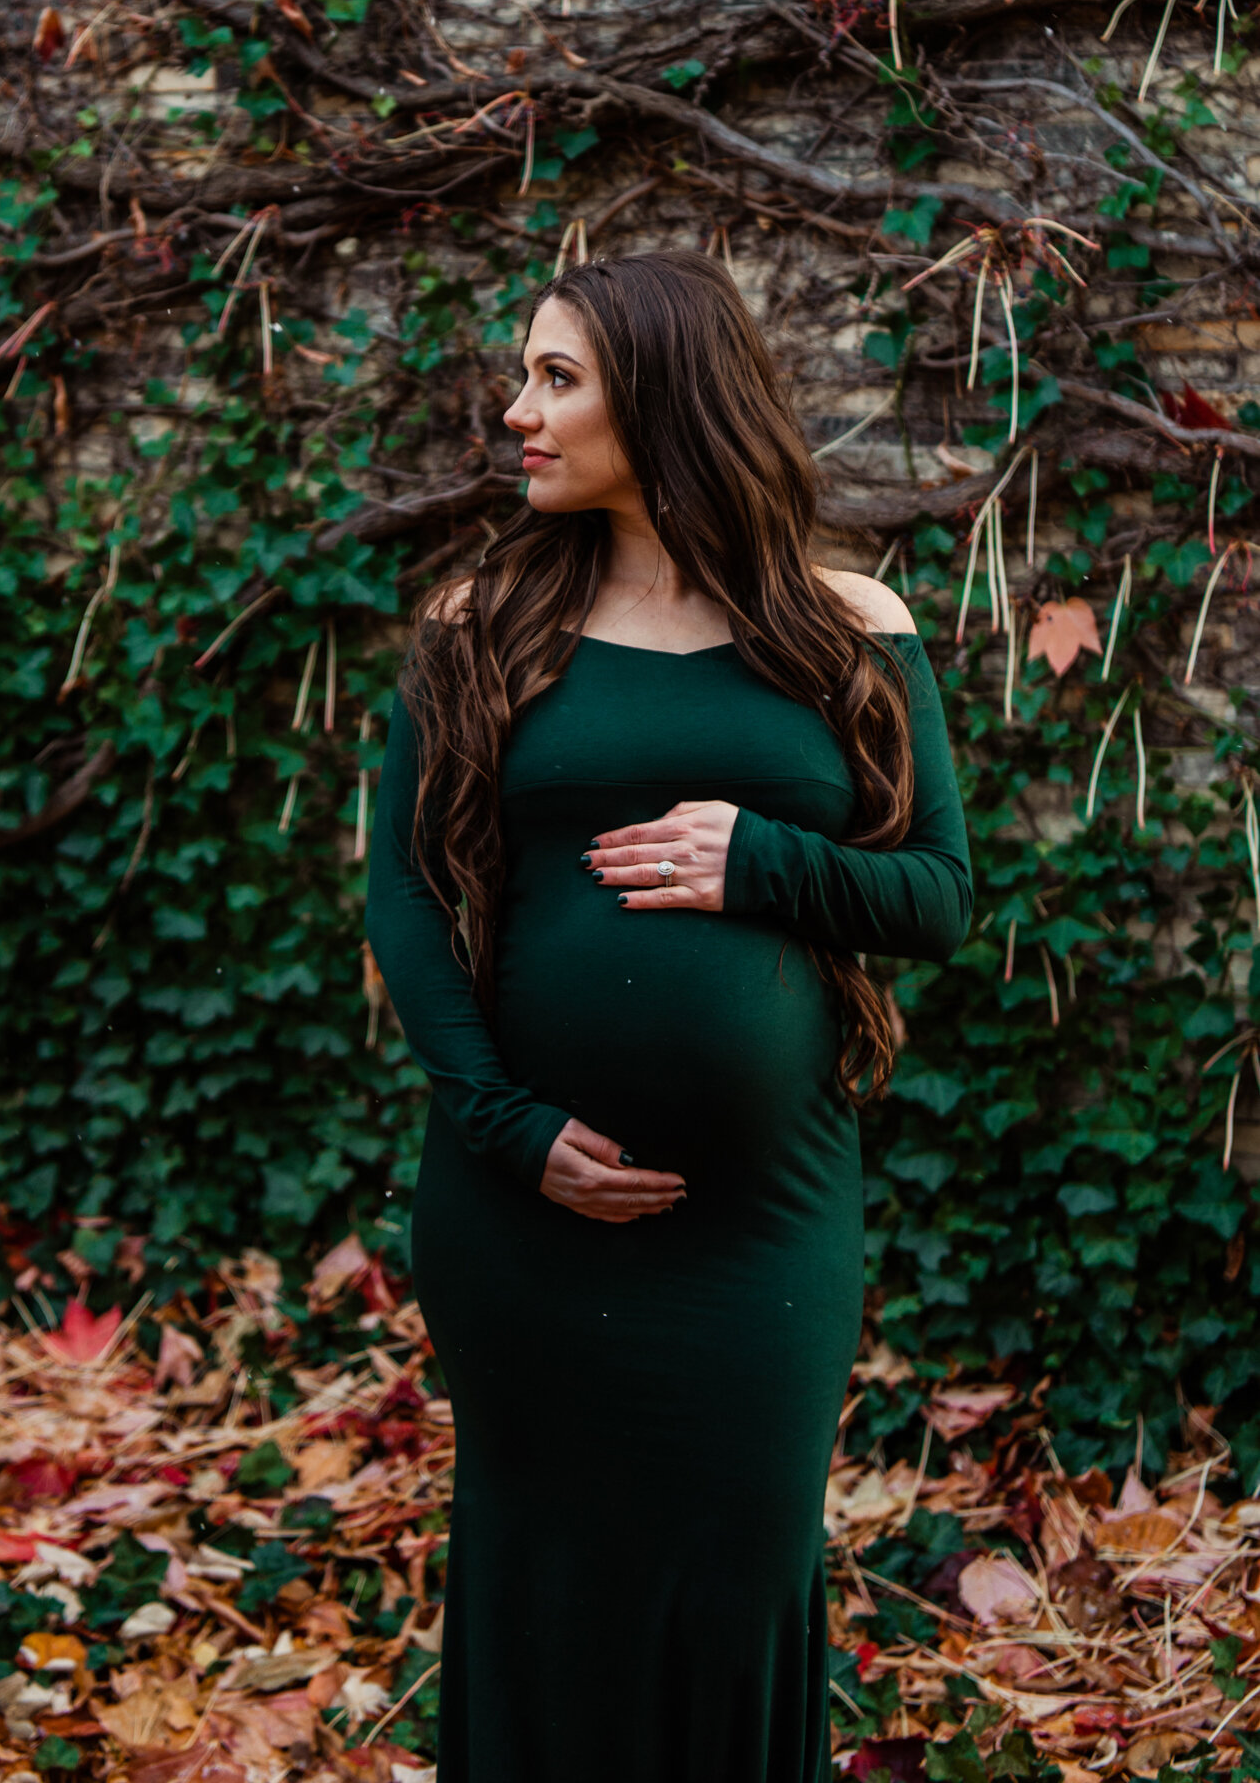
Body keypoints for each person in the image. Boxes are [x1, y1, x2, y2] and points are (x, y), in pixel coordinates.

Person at [365, 249, 972, 1783]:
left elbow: (938, 898)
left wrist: (757, 857)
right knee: (545, 1587)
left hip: (758, 1226)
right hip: (525, 1215)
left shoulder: (847, 624)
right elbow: (405, 911)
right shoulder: (477, 619)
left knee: (737, 1570)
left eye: (554, 378)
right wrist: (508, 1131)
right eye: (524, 376)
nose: (516, 411)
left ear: (664, 392)